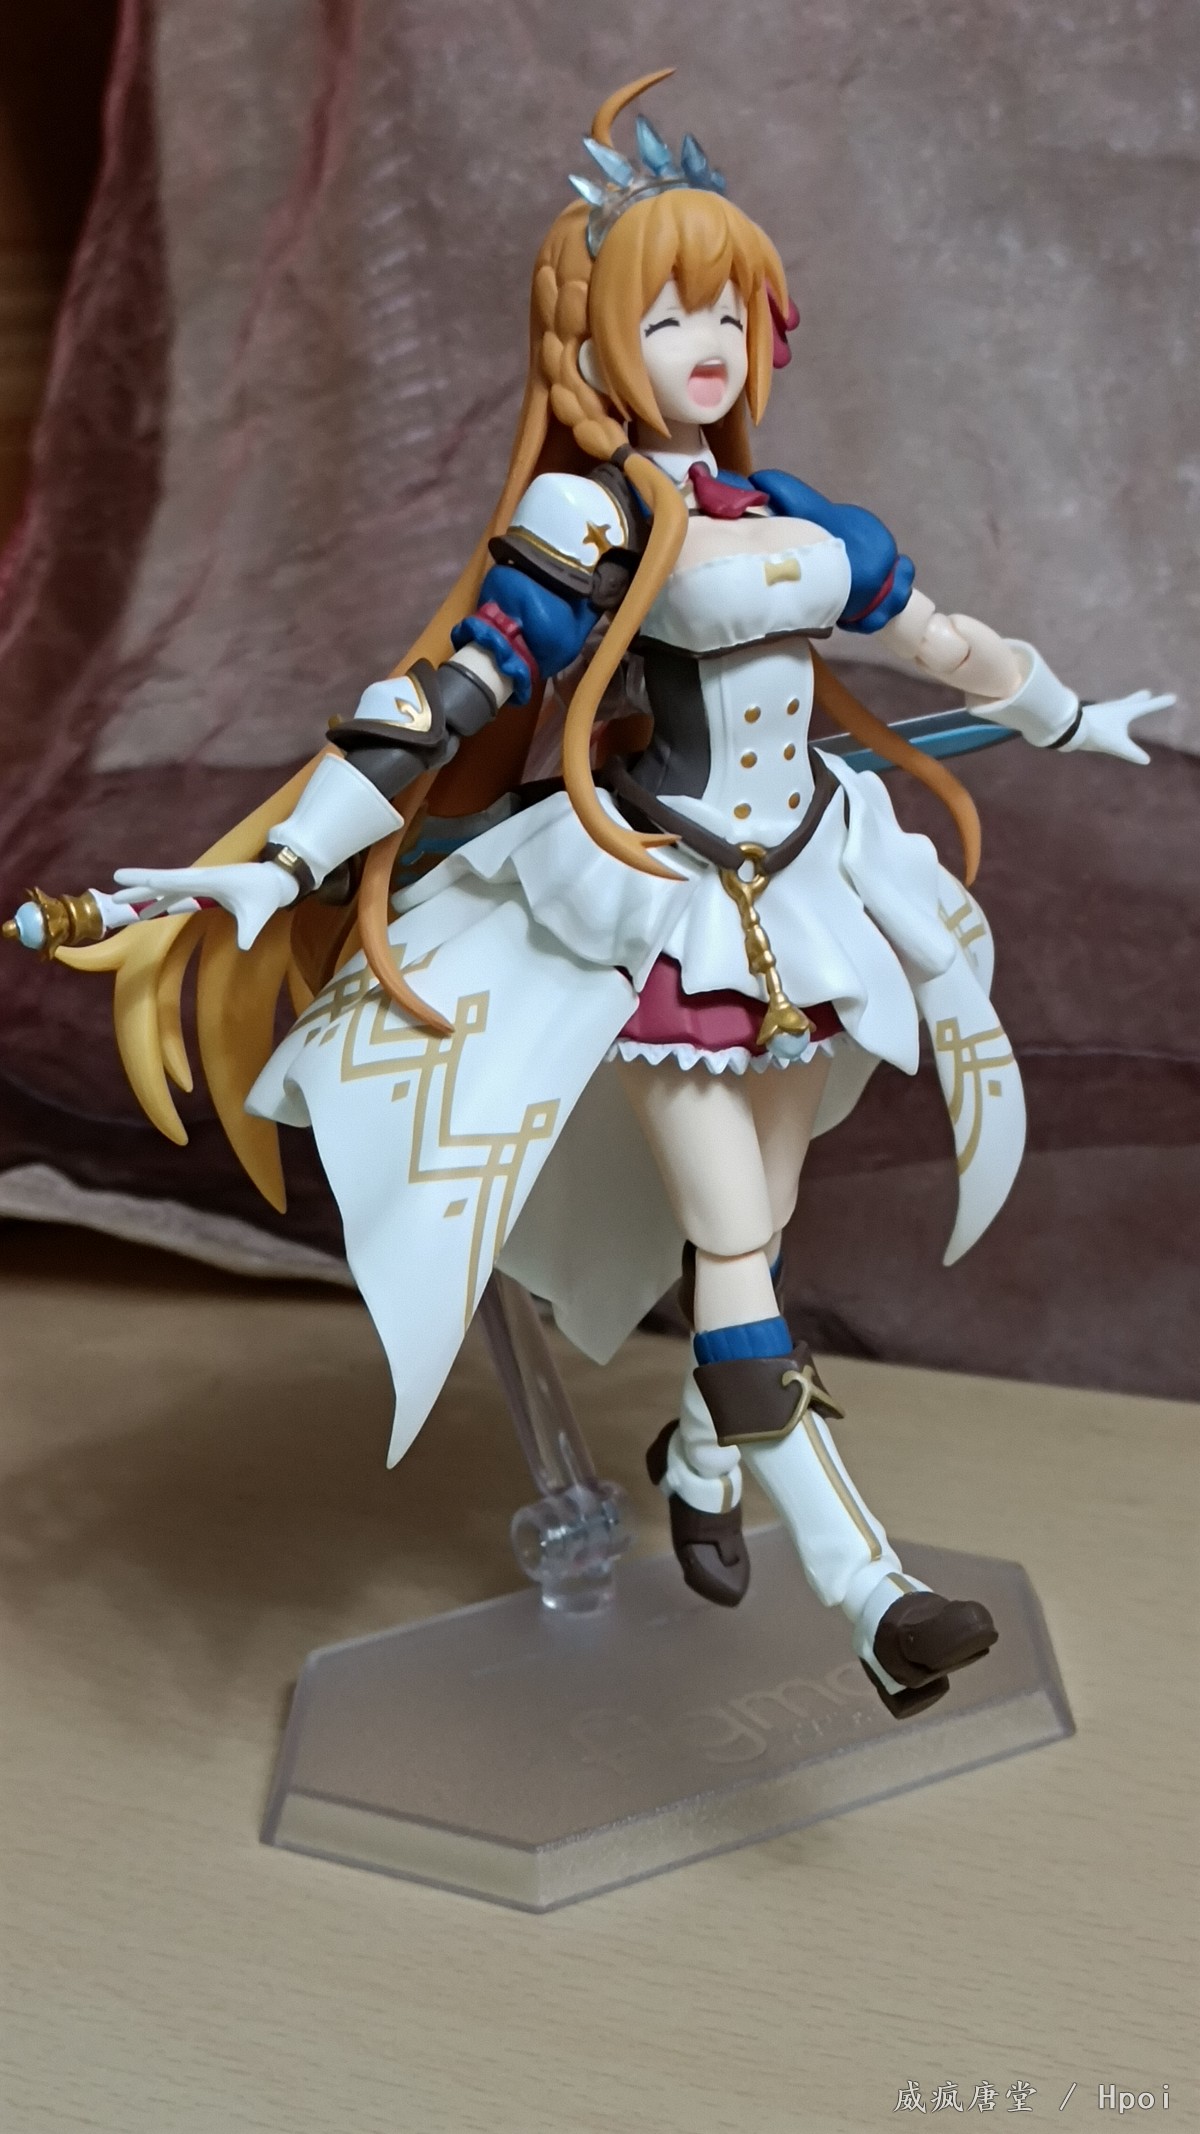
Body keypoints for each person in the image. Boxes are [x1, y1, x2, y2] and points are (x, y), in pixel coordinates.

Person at [8, 72, 1169, 1718]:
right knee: (738, 1247)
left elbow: (941, 640)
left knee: (758, 1228)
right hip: (665, 904)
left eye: (729, 310)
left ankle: (698, 1459)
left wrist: (1070, 715)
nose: (708, 343)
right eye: (669, 311)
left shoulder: (800, 516)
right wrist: (279, 859)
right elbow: (444, 701)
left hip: (808, 891)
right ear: (598, 337)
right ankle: (872, 1592)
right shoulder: (593, 516)